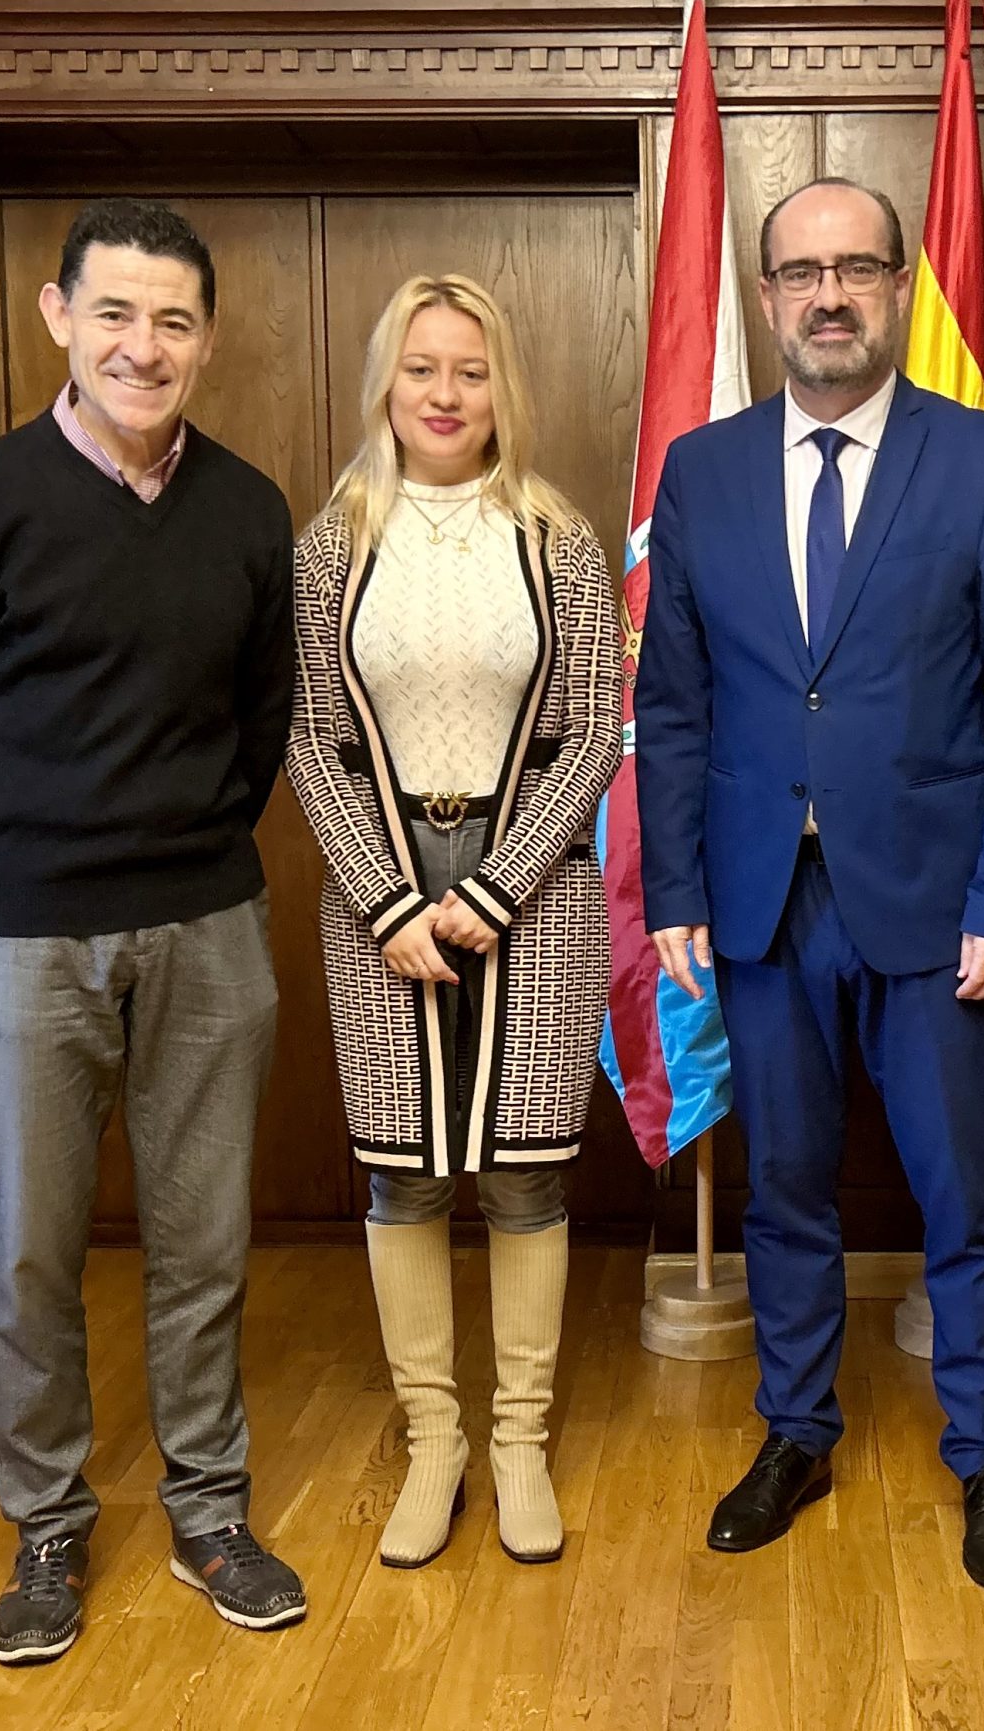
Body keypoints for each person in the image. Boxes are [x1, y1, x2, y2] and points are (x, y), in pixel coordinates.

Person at [0, 198, 306, 1666]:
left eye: (173, 319)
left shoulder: (246, 507)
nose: (143, 344)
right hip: (19, 937)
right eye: (115, 312)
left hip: (205, 928)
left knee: (202, 1244)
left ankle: (211, 1506)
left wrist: (178, 849)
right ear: (60, 318)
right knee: (36, 1251)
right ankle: (48, 1519)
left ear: (206, 340)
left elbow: (260, 725)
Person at [635, 177, 984, 1591]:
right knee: (785, 1192)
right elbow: (678, 700)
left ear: (896, 286)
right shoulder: (700, 469)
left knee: (965, 1191)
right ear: (765, 299)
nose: (829, 294)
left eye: (857, 268)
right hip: (761, 900)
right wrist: (675, 889)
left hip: (940, 904)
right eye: (800, 272)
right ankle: (796, 1431)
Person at [285, 274, 621, 1571]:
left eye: (470, 371)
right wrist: (389, 897)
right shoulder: (334, 543)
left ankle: (521, 1436)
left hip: (532, 878)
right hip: (376, 878)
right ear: (387, 380)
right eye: (421, 367)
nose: (444, 392)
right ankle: (436, 1439)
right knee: (406, 1168)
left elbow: (595, 724)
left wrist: (490, 886)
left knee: (527, 1166)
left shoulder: (558, 534)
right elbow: (310, 733)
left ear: (502, 386)